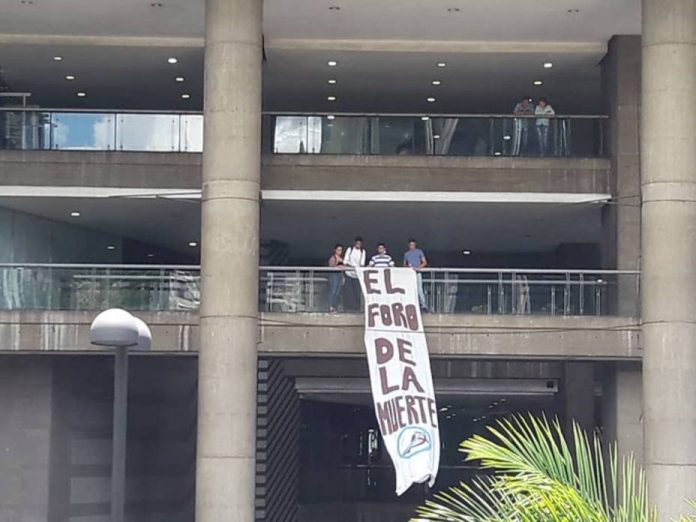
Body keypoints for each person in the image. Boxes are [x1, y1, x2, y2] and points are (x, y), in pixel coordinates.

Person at [403, 239, 429, 311]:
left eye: (413, 245)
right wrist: (409, 268)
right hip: (409, 274)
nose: (412, 246)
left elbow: (424, 262)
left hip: (417, 273)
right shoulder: (406, 254)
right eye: (410, 245)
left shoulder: (419, 252)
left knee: (419, 290)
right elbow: (404, 264)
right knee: (410, 289)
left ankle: (423, 305)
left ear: (415, 245)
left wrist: (418, 268)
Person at [343, 237, 366, 311]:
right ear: (355, 243)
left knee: (357, 291)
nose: (358, 245)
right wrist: (352, 267)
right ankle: (347, 308)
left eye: (360, 243)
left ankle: (357, 308)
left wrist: (357, 268)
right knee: (348, 291)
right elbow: (345, 261)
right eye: (357, 243)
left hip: (357, 275)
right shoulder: (350, 250)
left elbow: (362, 263)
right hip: (348, 273)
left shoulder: (363, 251)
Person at [327, 244, 344, 313]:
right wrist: (337, 266)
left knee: (337, 292)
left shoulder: (341, 258)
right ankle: (330, 306)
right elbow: (331, 266)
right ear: (335, 250)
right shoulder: (333, 258)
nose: (340, 251)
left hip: (340, 275)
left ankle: (335, 306)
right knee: (333, 291)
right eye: (338, 250)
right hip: (334, 274)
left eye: (341, 250)